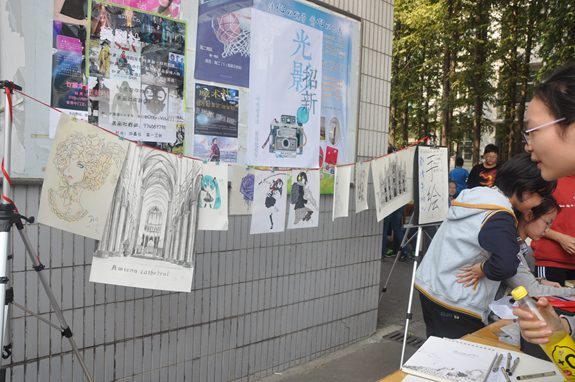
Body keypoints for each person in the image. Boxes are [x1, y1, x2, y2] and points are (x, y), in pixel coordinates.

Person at [415, 152, 557, 339]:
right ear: (526, 192)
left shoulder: (477, 196)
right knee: (454, 358)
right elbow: (505, 265)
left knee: (435, 348)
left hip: (431, 285)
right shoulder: (500, 214)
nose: (540, 203)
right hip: (456, 299)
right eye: (543, 196)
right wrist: (483, 268)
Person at [456, 196, 572, 300]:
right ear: (529, 215)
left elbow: (519, 277)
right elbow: (531, 289)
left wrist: (540, 281)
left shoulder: (519, 245)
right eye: (547, 223)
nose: (547, 230)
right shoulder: (510, 247)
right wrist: (571, 292)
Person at [48, 131, 125, 221]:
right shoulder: (51, 197)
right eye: (69, 161)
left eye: (80, 165)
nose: (70, 169)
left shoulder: (84, 212)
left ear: (92, 171)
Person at [533, 175, 575, 286]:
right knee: (549, 302)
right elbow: (532, 219)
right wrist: (561, 238)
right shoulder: (549, 181)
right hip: (551, 260)